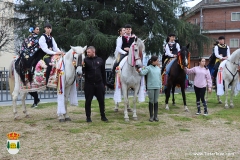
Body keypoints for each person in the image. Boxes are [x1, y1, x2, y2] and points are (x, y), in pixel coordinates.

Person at [15, 26, 41, 108]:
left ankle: (36, 99)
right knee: (27, 82)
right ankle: (36, 99)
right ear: (33, 30)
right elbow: (23, 47)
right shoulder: (27, 39)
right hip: (27, 59)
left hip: (35, 59)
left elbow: (38, 48)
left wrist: (31, 52)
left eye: (39, 29)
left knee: (31, 81)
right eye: (37, 29)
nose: (38, 30)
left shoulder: (39, 39)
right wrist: (26, 52)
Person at [82, 46, 108, 123]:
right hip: (89, 84)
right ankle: (88, 117)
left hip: (99, 84)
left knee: (101, 101)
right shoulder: (85, 60)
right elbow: (82, 71)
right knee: (88, 101)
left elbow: (103, 72)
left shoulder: (100, 60)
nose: (87, 54)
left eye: (89, 52)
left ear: (93, 52)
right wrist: (81, 65)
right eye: (87, 52)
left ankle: (103, 116)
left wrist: (104, 83)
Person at [107, 24, 136, 89]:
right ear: (125, 30)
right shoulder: (121, 38)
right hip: (123, 53)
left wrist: (131, 49)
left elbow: (136, 45)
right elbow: (118, 48)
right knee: (117, 63)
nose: (128, 30)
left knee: (138, 63)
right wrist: (125, 52)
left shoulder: (134, 37)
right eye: (127, 29)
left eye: (129, 29)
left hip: (132, 53)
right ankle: (111, 80)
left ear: (131, 30)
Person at [137, 56, 162, 122]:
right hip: (151, 87)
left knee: (156, 101)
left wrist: (161, 86)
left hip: (157, 87)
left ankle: (155, 116)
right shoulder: (148, 68)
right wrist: (139, 70)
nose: (158, 62)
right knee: (151, 101)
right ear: (153, 61)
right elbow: (142, 73)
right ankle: (151, 116)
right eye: (157, 61)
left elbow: (160, 78)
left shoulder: (158, 69)